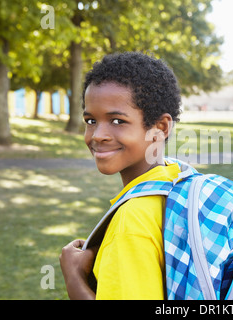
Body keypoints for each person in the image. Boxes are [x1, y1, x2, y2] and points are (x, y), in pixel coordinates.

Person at [59, 52, 182, 300]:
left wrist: (74, 278)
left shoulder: (131, 222)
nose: (97, 135)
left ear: (160, 128)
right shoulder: (177, 178)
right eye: (91, 120)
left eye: (117, 120)